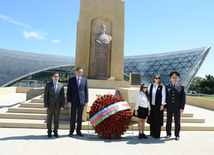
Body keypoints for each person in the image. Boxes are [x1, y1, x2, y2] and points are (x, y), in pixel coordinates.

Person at [67, 67, 88, 137]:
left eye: (81, 72)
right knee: (73, 116)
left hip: (81, 101)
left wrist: (86, 101)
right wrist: (69, 101)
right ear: (76, 72)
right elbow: (68, 92)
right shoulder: (71, 80)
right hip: (73, 101)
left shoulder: (85, 80)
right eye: (79, 72)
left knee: (80, 117)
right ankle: (71, 131)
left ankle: (78, 131)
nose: (80, 73)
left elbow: (86, 91)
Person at [165, 72, 186, 141]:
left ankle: (177, 134)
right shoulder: (167, 86)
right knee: (168, 121)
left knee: (177, 121)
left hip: (177, 108)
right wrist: (165, 106)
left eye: (176, 78)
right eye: (173, 78)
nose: (174, 79)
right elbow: (165, 97)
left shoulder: (181, 87)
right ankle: (168, 133)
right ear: (171, 79)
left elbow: (183, 98)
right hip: (169, 107)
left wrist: (182, 107)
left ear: (178, 79)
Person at [44, 72, 65, 138]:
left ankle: (55, 131)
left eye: (57, 76)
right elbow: (45, 96)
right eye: (55, 76)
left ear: (58, 77)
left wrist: (62, 105)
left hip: (58, 105)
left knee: (57, 119)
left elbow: (63, 96)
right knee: (49, 119)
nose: (56, 77)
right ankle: (49, 132)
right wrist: (46, 105)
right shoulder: (48, 85)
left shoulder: (61, 85)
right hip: (50, 105)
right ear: (52, 77)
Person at [147, 74, 166, 138]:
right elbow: (148, 94)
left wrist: (162, 105)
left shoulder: (162, 87)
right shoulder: (151, 86)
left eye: (159, 78)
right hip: (152, 105)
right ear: (154, 79)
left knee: (157, 120)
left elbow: (163, 96)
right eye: (156, 78)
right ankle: (152, 133)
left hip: (158, 106)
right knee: (152, 119)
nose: (158, 79)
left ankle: (157, 134)